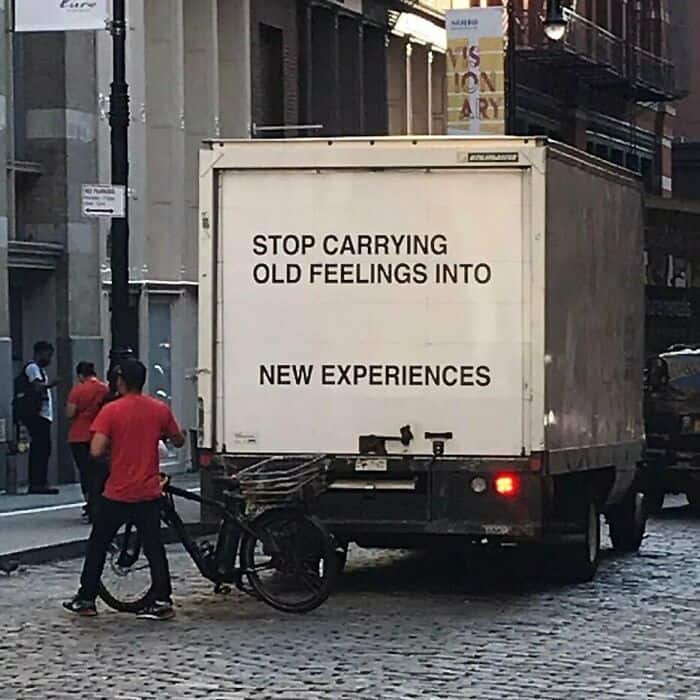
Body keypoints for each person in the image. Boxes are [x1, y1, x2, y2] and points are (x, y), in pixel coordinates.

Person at [63, 359, 186, 620]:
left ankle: (86, 598)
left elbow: (96, 450)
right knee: (154, 547)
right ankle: (162, 600)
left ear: (120, 381)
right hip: (149, 491)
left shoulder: (111, 411)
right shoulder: (159, 409)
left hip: (118, 491)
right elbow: (178, 440)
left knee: (98, 543)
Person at [66, 362, 109, 522]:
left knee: (85, 472)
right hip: (99, 434)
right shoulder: (104, 389)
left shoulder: (78, 390)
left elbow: (70, 413)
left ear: (80, 375)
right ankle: (100, 502)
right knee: (99, 471)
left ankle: (89, 503)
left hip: (79, 435)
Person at [21, 341, 60, 495]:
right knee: (40, 449)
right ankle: (37, 483)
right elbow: (37, 386)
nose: (49, 359)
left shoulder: (40, 370)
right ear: (39, 353)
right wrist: (51, 384)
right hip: (37, 415)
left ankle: (41, 481)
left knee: (44, 449)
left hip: (43, 414)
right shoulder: (32, 368)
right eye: (48, 355)